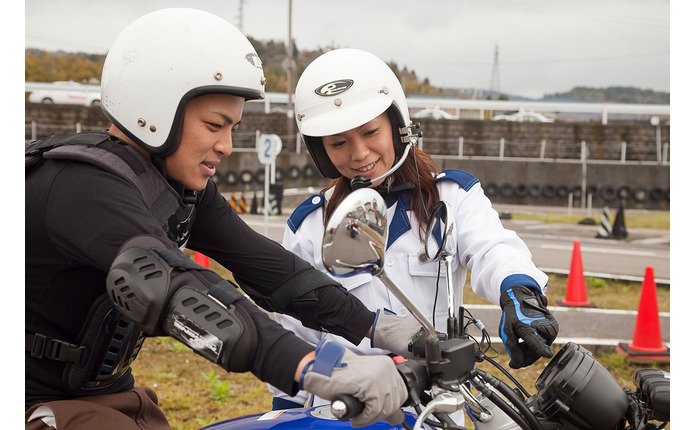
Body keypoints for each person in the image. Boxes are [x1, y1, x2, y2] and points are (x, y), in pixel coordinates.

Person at [25, 11, 412, 430]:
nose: (226, 146)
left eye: (233, 128)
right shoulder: (82, 186)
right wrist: (313, 366)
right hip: (34, 402)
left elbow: (273, 270)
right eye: (214, 125)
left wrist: (378, 326)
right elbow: (169, 286)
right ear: (154, 111)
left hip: (109, 394)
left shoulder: (177, 189)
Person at [269, 48, 559, 414]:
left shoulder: (453, 195)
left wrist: (519, 291)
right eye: (338, 143)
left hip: (438, 402)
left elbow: (492, 249)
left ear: (398, 125)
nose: (359, 153)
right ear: (321, 152)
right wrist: (287, 408)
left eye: (370, 131)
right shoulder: (310, 225)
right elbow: (297, 330)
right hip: (348, 406)